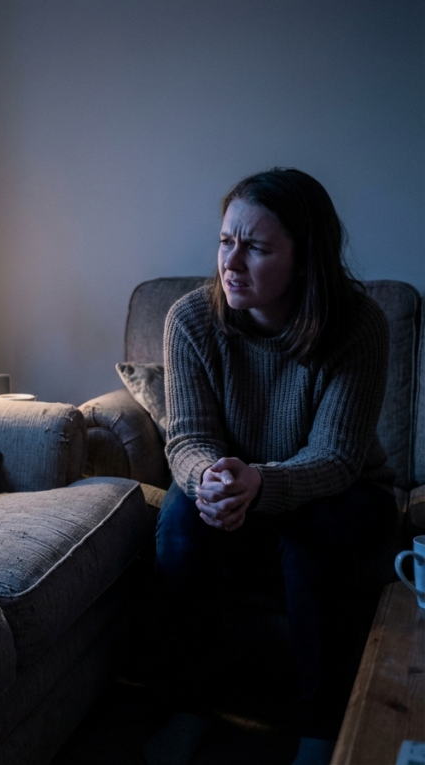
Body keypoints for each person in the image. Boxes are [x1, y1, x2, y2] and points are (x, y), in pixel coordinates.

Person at [144, 169, 397, 765]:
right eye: (226, 241)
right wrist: (210, 480)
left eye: (255, 247)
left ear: (305, 259)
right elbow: (188, 439)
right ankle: (190, 707)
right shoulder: (190, 320)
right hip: (238, 494)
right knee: (181, 522)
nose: (231, 262)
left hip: (345, 496)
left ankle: (321, 728)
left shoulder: (359, 326)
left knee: (315, 530)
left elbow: (335, 459)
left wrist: (261, 483)